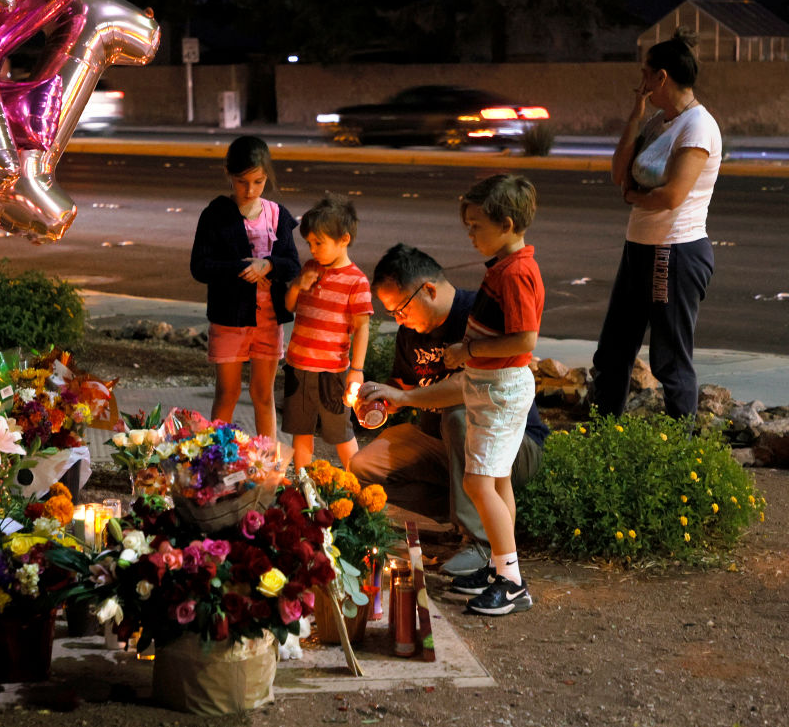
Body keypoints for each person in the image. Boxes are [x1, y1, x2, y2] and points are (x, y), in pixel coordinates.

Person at [351, 244, 547, 578]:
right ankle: (464, 517)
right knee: (363, 465)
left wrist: (405, 397)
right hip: (446, 445)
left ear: (427, 289)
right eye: (393, 313)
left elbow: (469, 386)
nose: (399, 319)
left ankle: (482, 543)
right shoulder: (409, 335)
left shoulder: (475, 314)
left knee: (458, 415)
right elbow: (402, 388)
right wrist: (378, 402)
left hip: (511, 443)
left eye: (400, 308)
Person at [592, 28, 721, 419]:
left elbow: (671, 197)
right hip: (640, 246)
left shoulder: (698, 127)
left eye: (645, 74)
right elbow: (619, 173)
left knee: (669, 360)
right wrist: (636, 116)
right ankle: (601, 440)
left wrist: (635, 197)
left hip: (674, 250)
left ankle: (679, 456)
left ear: (660, 77)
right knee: (613, 352)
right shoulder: (660, 123)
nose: (640, 82)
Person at [441, 173, 544, 616]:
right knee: (496, 480)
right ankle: (502, 566)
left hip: (501, 390)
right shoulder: (506, 267)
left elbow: (524, 340)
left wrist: (467, 351)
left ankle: (511, 581)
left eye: (476, 225)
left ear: (505, 224)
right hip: (491, 387)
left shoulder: (517, 272)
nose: (470, 233)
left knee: (478, 481)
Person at [190, 136, 301, 438]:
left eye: (258, 181)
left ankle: (267, 464)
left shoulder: (276, 214)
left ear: (267, 176)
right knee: (227, 393)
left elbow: (293, 263)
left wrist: (268, 265)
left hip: (268, 319)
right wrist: (240, 268)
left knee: (263, 395)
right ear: (228, 173)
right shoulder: (216, 214)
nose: (250, 190)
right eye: (242, 182)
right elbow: (199, 266)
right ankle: (214, 460)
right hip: (229, 319)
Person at [282, 194, 373, 471]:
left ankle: (359, 483)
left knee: (339, 432)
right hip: (298, 366)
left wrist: (356, 370)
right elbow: (289, 307)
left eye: (319, 243)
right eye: (309, 243)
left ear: (343, 239)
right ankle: (301, 484)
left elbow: (361, 327)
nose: (313, 250)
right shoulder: (310, 269)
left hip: (331, 371)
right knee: (301, 429)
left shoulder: (356, 281)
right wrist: (297, 285)